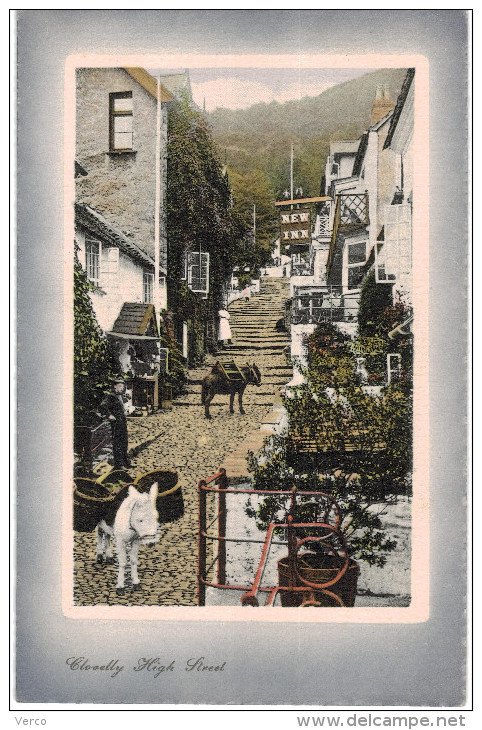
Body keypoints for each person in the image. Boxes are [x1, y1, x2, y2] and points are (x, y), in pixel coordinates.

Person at [99, 377, 132, 470]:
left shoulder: (119, 396)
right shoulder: (111, 396)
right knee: (117, 443)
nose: (122, 388)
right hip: (116, 423)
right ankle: (119, 464)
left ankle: (126, 462)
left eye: (122, 386)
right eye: (120, 386)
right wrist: (109, 415)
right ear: (115, 386)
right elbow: (102, 406)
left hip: (122, 421)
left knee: (124, 442)